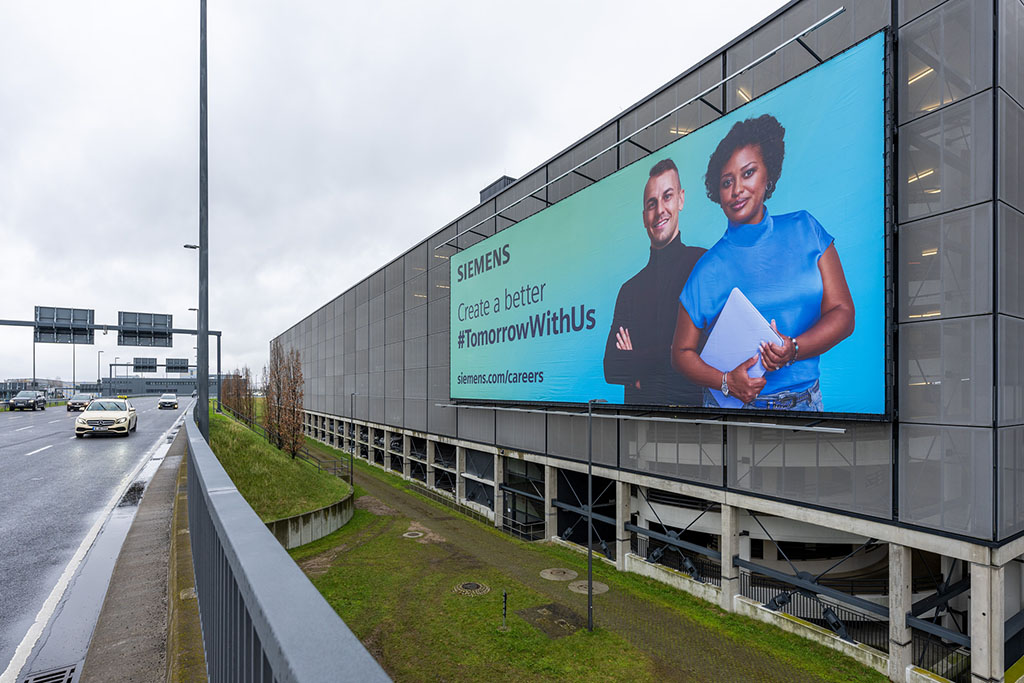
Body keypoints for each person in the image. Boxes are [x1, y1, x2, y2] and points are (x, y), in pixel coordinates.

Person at [671, 114, 854, 411]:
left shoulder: (806, 230)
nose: (737, 189)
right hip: (733, 411)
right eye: (727, 181)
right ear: (717, 193)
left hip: (806, 405)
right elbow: (681, 353)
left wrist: (793, 348)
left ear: (768, 174)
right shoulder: (708, 267)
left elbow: (844, 313)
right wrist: (726, 381)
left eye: (748, 173)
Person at [604, 158, 705, 405]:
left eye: (667, 196)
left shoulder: (702, 264)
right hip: (639, 428)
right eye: (652, 203)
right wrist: (676, 355)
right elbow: (612, 366)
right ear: (643, 216)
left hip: (697, 426)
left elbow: (707, 351)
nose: (660, 209)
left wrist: (637, 365)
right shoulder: (629, 290)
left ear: (681, 199)